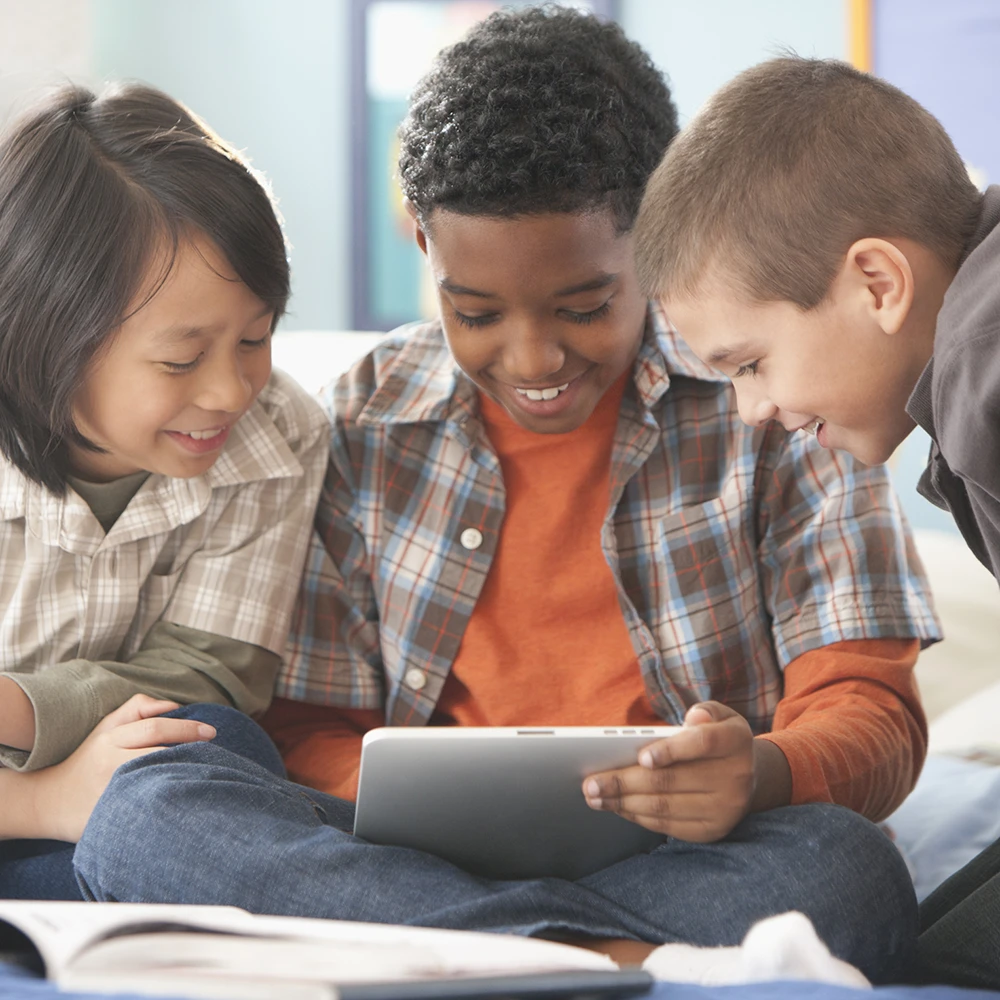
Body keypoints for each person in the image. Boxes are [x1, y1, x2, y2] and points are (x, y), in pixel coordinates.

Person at [71, 10, 934, 983]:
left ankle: (448, 955)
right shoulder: (362, 418)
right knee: (147, 805)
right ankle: (601, 960)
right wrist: (408, 806)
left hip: (689, 857)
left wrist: (755, 774)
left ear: (657, 241)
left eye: (584, 304)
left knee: (847, 872)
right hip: (394, 856)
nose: (531, 359)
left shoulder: (778, 395)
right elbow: (305, 721)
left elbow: (871, 709)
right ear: (421, 247)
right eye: (473, 310)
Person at [631, 55, 1000, 990]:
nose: (751, 409)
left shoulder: (980, 372)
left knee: (938, 965)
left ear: (877, 283)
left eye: (750, 362)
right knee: (926, 937)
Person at [0, 84, 329, 898]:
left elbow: (212, 676)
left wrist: (18, 710)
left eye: (256, 337)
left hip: (137, 783)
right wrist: (45, 798)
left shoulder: (279, 433)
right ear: (45, 338)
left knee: (217, 744)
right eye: (181, 360)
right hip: (49, 810)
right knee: (178, 821)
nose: (231, 390)